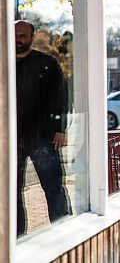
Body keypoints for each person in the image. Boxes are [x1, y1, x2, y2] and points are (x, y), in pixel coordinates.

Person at [15, 20, 71, 236]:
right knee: (11, 193)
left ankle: (64, 234)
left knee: (53, 187)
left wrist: (60, 128)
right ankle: (16, 239)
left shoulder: (47, 63)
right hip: (12, 138)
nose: (18, 39)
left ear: (31, 37)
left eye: (22, 35)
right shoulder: (3, 64)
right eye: (15, 35)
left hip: (44, 137)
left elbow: (60, 97)